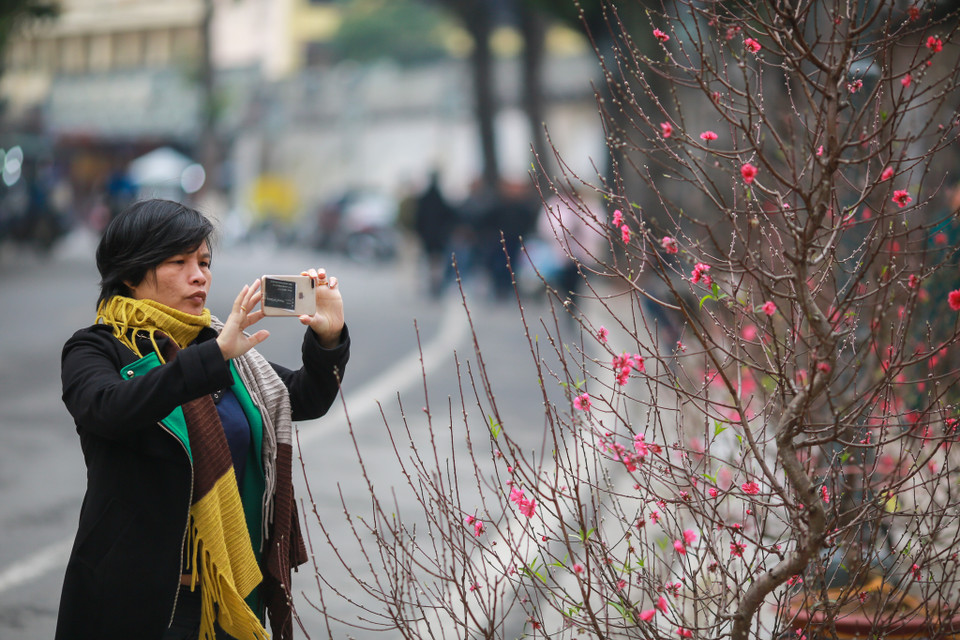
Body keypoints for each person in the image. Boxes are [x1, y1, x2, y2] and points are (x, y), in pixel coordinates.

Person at [56, 199, 350, 640]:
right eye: (179, 261)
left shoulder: (216, 345)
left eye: (205, 262)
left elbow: (303, 398)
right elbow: (108, 409)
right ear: (132, 273)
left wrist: (328, 337)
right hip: (138, 602)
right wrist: (212, 356)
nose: (200, 275)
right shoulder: (97, 348)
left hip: (229, 596)